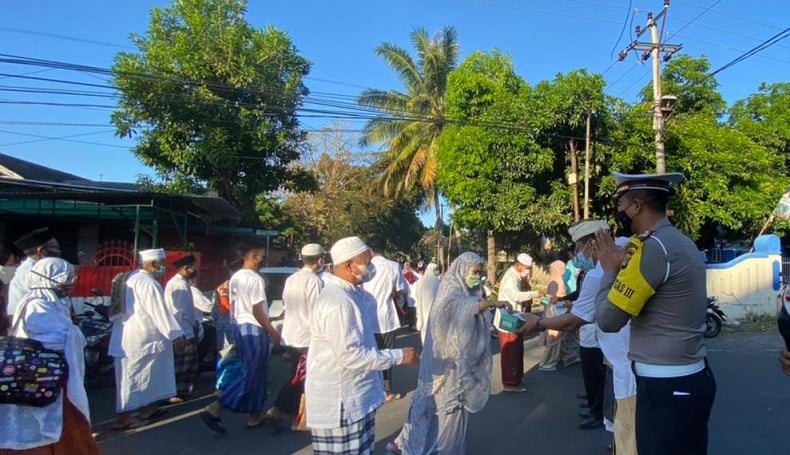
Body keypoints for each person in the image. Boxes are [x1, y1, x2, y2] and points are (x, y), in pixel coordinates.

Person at [594, 172, 715, 455]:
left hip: (667, 386)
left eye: (621, 204)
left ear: (637, 206)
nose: (619, 212)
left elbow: (608, 319)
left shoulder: (654, 249)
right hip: (684, 379)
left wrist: (609, 270)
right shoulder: (677, 241)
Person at [388, 252, 511, 454]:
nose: (477, 277)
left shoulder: (469, 291)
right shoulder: (451, 291)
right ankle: (421, 446)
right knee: (441, 407)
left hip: (458, 363)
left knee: (448, 411)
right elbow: (463, 309)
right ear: (462, 270)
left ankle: (427, 446)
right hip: (445, 363)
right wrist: (491, 303)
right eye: (475, 272)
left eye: (479, 273)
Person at [305, 236, 418, 455]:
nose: (371, 267)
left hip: (357, 398)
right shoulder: (339, 301)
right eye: (366, 261)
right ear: (349, 265)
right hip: (342, 402)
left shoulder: (354, 294)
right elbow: (350, 356)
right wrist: (398, 356)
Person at [0, 258, 101, 455]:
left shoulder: (50, 302)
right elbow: (52, 341)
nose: (69, 283)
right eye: (65, 279)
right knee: (53, 427)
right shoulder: (39, 304)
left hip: (50, 378)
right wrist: (75, 333)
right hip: (45, 378)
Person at [199, 240, 282, 433]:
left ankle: (256, 414)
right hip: (254, 330)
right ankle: (215, 408)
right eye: (262, 256)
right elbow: (257, 310)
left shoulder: (236, 277)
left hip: (240, 327)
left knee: (257, 373)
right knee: (251, 374)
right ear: (253, 256)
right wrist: (272, 332)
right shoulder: (254, 279)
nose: (264, 260)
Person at [109, 248, 186, 430]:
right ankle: (125, 418)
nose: (164, 268)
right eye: (163, 264)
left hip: (131, 335)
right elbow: (158, 310)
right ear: (153, 264)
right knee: (132, 378)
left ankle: (148, 409)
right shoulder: (147, 283)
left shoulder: (129, 278)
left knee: (148, 375)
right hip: (140, 338)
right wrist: (174, 333)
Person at [264, 243, 325, 429]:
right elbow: (317, 310)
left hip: (290, 334)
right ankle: (289, 414)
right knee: (302, 377)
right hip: (307, 337)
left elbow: (285, 303)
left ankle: (283, 411)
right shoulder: (314, 281)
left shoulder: (292, 279)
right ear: (320, 260)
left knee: (294, 374)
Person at [362, 235, 408, 402]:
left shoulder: (364, 267)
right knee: (387, 355)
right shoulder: (393, 266)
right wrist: (392, 293)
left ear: (370, 250)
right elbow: (402, 289)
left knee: (367, 354)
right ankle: (386, 390)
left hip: (366, 319)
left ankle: (369, 389)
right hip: (387, 318)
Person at [496, 253, 540, 392]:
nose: (527, 270)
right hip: (508, 320)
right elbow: (516, 296)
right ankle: (510, 383)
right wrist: (534, 293)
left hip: (513, 318)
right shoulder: (510, 278)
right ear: (518, 264)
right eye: (526, 267)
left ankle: (515, 379)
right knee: (510, 352)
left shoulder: (515, 275)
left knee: (516, 350)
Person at [164, 254, 201, 399]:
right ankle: (177, 392)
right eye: (194, 267)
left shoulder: (181, 283)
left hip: (182, 328)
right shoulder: (179, 285)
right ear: (186, 269)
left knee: (185, 363)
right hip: (183, 329)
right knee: (182, 363)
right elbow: (184, 311)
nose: (196, 269)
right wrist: (193, 325)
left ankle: (182, 390)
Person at [7, 228, 60, 318]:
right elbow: (44, 299)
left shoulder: (41, 268)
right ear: (41, 251)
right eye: (55, 248)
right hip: (27, 320)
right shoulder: (30, 271)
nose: (59, 252)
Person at [539, 260, 579, 371]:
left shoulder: (556, 280)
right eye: (561, 269)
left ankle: (569, 357)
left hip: (556, 311)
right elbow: (554, 299)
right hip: (555, 313)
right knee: (554, 338)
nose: (564, 271)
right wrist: (567, 303)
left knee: (564, 336)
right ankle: (547, 362)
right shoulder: (555, 282)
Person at [414, 262, 441, 342]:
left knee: (424, 336)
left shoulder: (419, 282)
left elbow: (418, 299)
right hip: (435, 314)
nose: (437, 272)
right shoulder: (438, 282)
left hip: (423, 313)